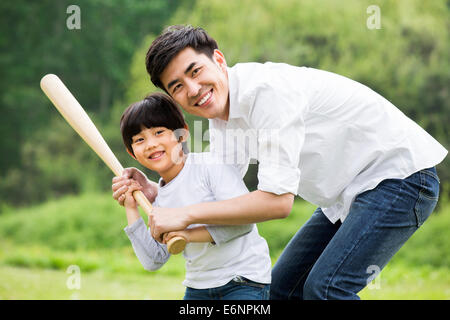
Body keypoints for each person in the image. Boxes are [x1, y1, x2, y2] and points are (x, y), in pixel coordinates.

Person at [112, 25, 448, 300]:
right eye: (178, 86)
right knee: (282, 290)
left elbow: (277, 202)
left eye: (196, 71)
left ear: (218, 59)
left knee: (327, 289)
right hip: (344, 196)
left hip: (399, 176)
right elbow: (213, 190)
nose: (194, 89)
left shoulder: (268, 94)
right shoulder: (222, 119)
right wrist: (156, 191)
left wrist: (186, 214)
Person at [120, 92, 271, 300]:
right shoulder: (161, 198)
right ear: (132, 152)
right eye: (139, 140)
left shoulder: (210, 165)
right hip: (198, 288)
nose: (150, 144)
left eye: (159, 132)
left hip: (243, 281)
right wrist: (131, 206)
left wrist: (188, 235)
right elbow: (153, 260)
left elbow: (243, 223)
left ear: (182, 134)